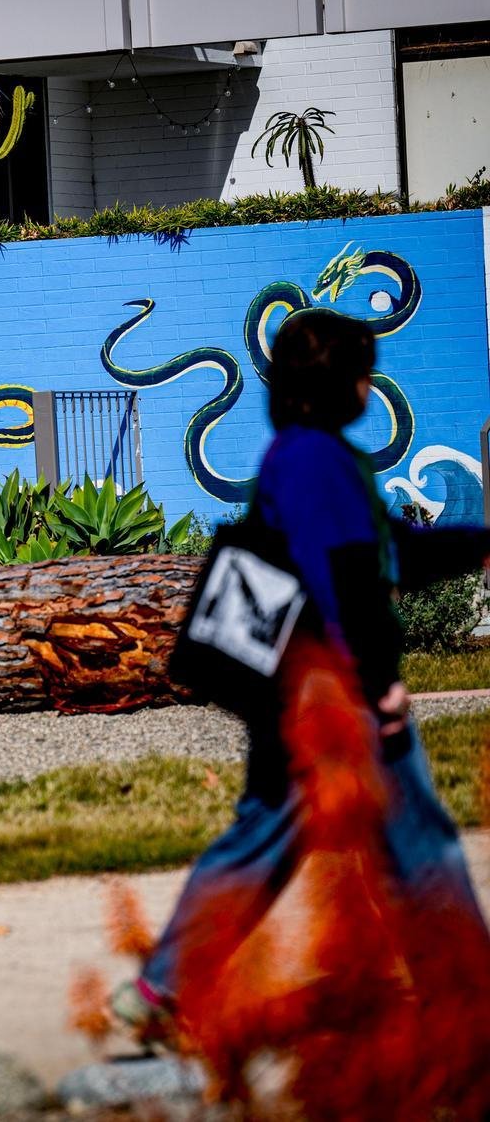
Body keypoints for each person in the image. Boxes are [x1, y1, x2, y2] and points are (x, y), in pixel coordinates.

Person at [113, 307, 490, 1037]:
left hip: (308, 686)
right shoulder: (318, 462)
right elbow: (347, 577)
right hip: (331, 690)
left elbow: (386, 556)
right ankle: (465, 990)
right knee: (414, 841)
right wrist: (379, 683)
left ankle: (161, 992)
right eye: (362, 374)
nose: (368, 387)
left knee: (272, 837)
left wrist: (476, 541)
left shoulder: (304, 455)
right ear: (337, 383)